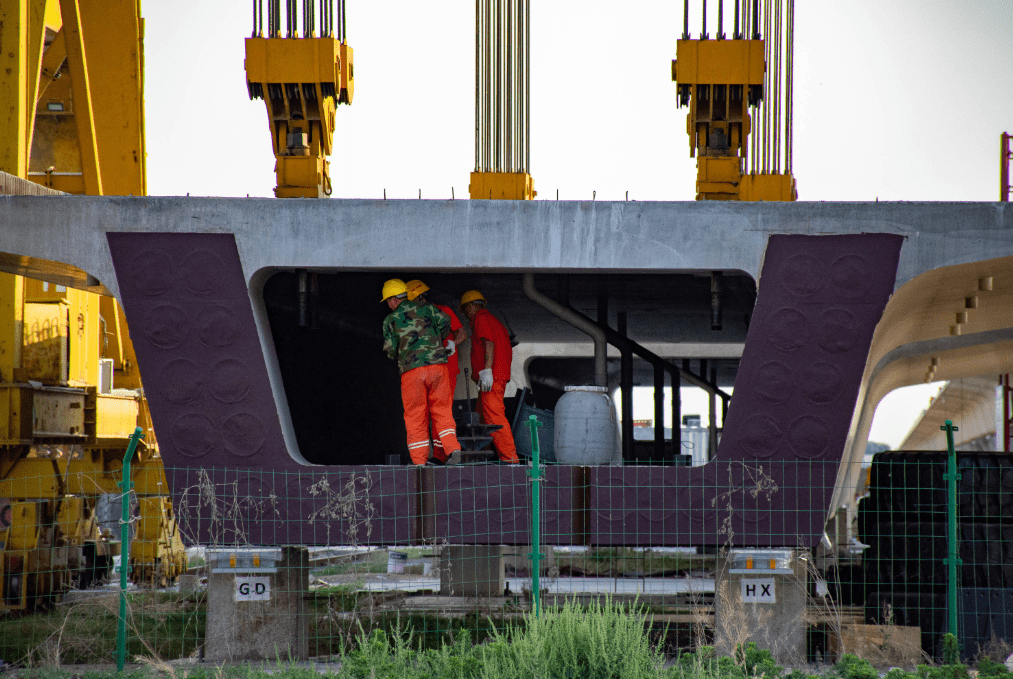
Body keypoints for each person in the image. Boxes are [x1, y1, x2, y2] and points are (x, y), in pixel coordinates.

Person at [381, 278, 462, 465]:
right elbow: (445, 322)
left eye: (388, 301)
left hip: (412, 372)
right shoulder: (428, 308)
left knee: (415, 414)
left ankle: (419, 462)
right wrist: (435, 341)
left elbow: (390, 350)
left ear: (393, 300)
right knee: (442, 410)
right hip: (438, 367)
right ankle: (453, 449)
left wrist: (403, 352)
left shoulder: (390, 320)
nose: (388, 305)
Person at [405, 279, 467, 463]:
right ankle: (436, 456)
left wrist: (452, 344)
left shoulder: (443, 311)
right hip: (427, 371)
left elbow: (461, 333)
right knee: (428, 413)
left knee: (440, 412)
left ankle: (441, 456)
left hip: (446, 369)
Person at [459, 289, 519, 464]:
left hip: (491, 378)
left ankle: (510, 460)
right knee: (481, 416)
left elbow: (488, 343)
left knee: (494, 417)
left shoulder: (481, 319)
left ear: (471, 306)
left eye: (465, 311)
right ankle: (481, 458)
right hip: (494, 377)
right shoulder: (493, 321)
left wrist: (486, 371)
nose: (466, 316)